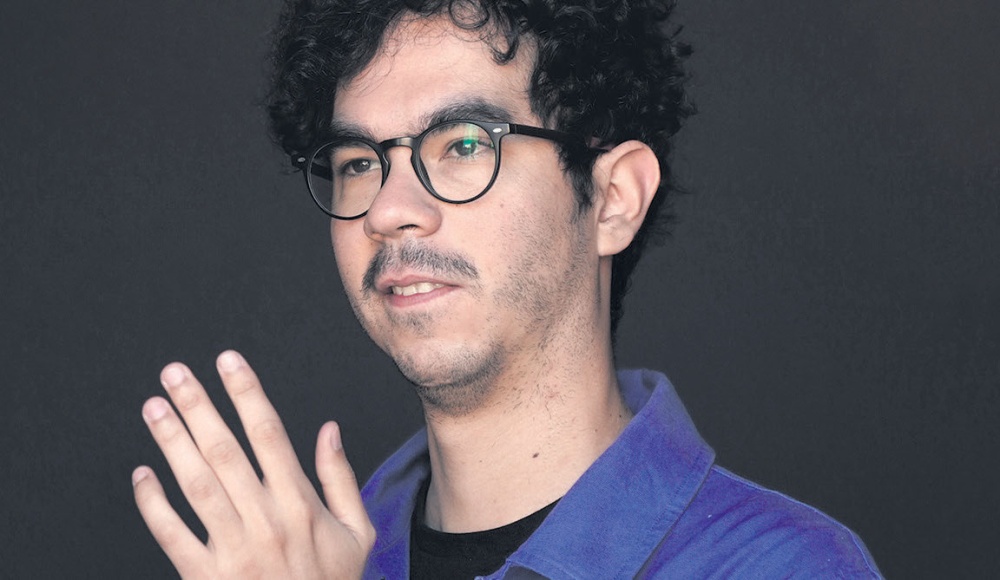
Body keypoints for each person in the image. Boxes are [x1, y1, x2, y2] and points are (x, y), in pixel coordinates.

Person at [131, 1, 882, 577]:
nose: (389, 210)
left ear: (614, 198)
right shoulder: (308, 560)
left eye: (463, 145)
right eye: (358, 161)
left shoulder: (783, 567)